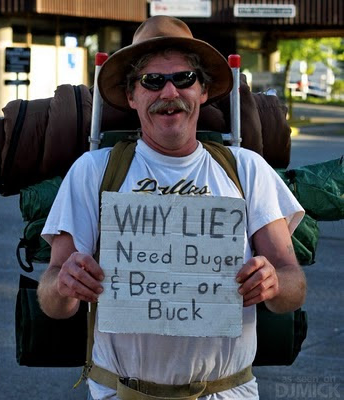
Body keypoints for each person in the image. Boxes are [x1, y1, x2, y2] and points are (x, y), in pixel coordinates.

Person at [37, 15, 306, 400]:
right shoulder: (93, 172)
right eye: (152, 80)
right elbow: (52, 297)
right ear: (132, 96)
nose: (169, 92)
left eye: (183, 79)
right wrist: (64, 285)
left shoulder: (247, 170)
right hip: (121, 394)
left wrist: (274, 282)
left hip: (226, 394)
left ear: (203, 91)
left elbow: (293, 285)